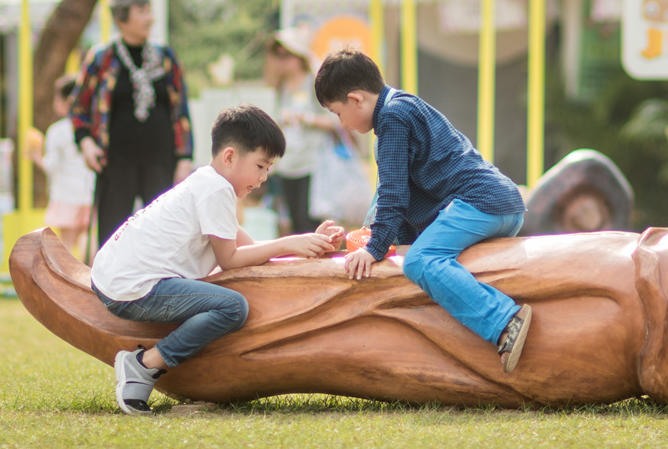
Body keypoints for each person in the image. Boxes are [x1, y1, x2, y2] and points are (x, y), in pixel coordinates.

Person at [94, 105, 343, 415]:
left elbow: (250, 249)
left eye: (267, 169)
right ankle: (144, 364)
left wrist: (305, 244)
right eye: (260, 166)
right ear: (229, 157)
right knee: (232, 307)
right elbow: (230, 260)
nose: (263, 178)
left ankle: (142, 367)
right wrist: (289, 241)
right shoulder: (216, 190)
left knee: (229, 301)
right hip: (132, 286)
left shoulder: (206, 182)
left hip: (114, 276)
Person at [313, 49, 533, 373]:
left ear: (356, 100)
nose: (341, 123)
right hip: (497, 204)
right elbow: (391, 196)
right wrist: (362, 237)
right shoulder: (399, 108)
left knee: (420, 260)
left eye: (337, 113)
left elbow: (393, 195)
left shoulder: (392, 117)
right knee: (412, 254)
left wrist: (373, 249)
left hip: (481, 202)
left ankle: (504, 320)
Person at [71, 0, 194, 251]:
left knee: (163, 232)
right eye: (142, 12)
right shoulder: (102, 58)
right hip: (115, 161)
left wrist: (184, 158)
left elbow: (180, 108)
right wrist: (85, 143)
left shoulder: (165, 57)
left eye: (149, 10)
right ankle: (109, 289)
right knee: (112, 234)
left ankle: (163, 288)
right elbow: (78, 105)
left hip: (161, 160)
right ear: (121, 20)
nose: (149, 18)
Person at [263, 29, 336, 234]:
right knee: (294, 225)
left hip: (313, 164)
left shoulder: (314, 81)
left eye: (286, 54)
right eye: (277, 55)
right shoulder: (282, 85)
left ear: (299, 55)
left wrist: (305, 118)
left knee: (310, 224)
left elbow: (335, 120)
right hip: (288, 164)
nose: (281, 60)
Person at [29, 75, 95, 259]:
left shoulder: (57, 131)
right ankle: (92, 279)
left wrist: (36, 157)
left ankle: (68, 282)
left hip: (66, 195)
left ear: (66, 101)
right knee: (87, 239)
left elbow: (52, 166)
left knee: (67, 243)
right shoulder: (92, 128)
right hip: (88, 191)